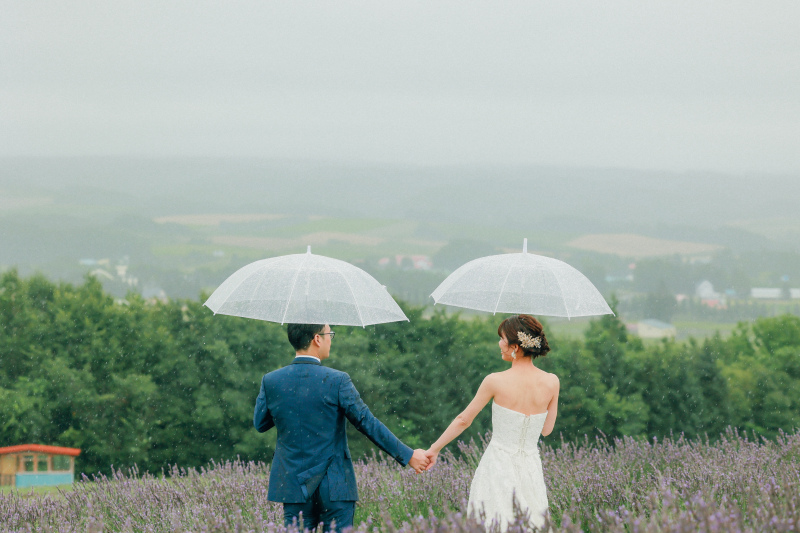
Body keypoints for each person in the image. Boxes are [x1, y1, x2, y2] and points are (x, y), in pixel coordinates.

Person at [254, 323, 430, 533]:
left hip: (293, 486)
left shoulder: (271, 380)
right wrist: (408, 455)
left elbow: (261, 424)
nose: (331, 339)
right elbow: (367, 422)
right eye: (330, 334)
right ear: (317, 339)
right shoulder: (337, 381)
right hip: (334, 486)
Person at [424, 314, 559, 530]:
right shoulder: (552, 381)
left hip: (498, 466)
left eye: (502, 339)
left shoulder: (495, 381)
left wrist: (434, 448)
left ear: (515, 346)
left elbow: (463, 420)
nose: (499, 343)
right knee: (532, 523)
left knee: (493, 522)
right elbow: (546, 430)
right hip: (530, 468)